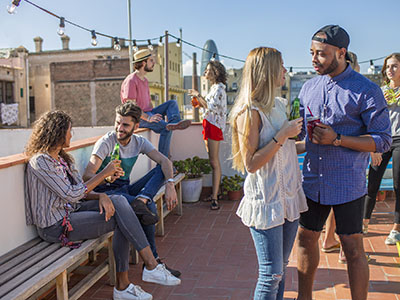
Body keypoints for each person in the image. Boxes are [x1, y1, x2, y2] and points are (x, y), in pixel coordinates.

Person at [24, 111, 181, 300]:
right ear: (57, 132)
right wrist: (104, 174)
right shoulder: (40, 162)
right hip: (55, 226)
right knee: (120, 217)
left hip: (71, 211)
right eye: (69, 130)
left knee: (119, 201)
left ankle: (144, 270)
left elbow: (76, 190)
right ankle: (139, 273)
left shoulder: (61, 159)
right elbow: (71, 194)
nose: (71, 134)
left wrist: (101, 196)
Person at [296, 25, 391, 300]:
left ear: (341, 52)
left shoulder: (366, 90)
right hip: (312, 180)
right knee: (305, 239)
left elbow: (383, 140)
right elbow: (302, 132)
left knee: (352, 248)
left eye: (321, 54)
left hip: (347, 183)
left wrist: (338, 139)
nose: (314, 59)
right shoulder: (308, 88)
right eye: (311, 53)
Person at [230, 47, 307, 300]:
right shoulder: (250, 112)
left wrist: (310, 143)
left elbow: (282, 149)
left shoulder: (279, 105)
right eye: (281, 66)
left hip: (287, 197)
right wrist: (283, 133)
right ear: (267, 71)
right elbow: (251, 163)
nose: (285, 71)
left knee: (281, 270)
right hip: (267, 199)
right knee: (271, 273)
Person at [83, 101, 181, 277]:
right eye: (117, 123)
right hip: (108, 193)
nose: (119, 128)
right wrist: (106, 176)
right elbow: (87, 176)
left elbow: (165, 161)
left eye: (125, 125)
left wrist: (170, 184)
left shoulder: (138, 142)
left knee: (164, 170)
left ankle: (142, 198)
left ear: (136, 126)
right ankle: (154, 262)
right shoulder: (106, 142)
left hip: (126, 189)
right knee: (147, 209)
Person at [321, 51, 362, 264]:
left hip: (335, 162)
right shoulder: (353, 91)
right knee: (345, 203)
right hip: (347, 163)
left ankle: (329, 240)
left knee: (335, 203)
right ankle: (343, 249)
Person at [120, 49, 191, 157]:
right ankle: (163, 161)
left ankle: (174, 122)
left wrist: (154, 114)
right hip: (137, 117)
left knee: (172, 103)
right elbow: (131, 108)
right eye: (151, 61)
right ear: (143, 63)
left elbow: (148, 104)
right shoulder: (131, 80)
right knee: (165, 128)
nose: (154, 63)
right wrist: (148, 118)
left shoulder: (145, 80)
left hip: (149, 112)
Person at [363, 53, 400, 245]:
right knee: (372, 181)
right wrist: (373, 147)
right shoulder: (380, 92)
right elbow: (372, 120)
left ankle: (396, 228)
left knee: (397, 184)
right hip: (383, 139)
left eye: (394, 66)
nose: (390, 70)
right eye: (387, 67)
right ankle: (364, 222)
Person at [188, 60, 227, 210]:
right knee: (213, 162)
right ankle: (215, 193)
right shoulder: (214, 88)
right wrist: (199, 102)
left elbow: (211, 107)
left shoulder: (219, 89)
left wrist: (198, 95)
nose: (205, 72)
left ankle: (215, 198)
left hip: (214, 126)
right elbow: (210, 107)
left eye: (208, 70)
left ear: (215, 72)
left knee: (214, 162)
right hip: (209, 125)